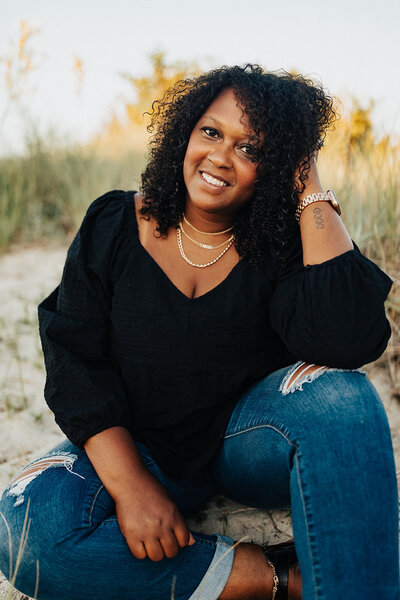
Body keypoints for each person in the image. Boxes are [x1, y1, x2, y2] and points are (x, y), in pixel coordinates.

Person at [0, 64, 398, 600]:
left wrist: (309, 183)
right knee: (24, 532)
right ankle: (276, 577)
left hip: (243, 446)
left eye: (251, 149)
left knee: (339, 399)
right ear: (185, 132)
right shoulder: (115, 223)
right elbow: (73, 359)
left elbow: (348, 340)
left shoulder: (280, 244)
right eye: (211, 132)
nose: (220, 157)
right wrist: (133, 486)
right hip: (137, 445)